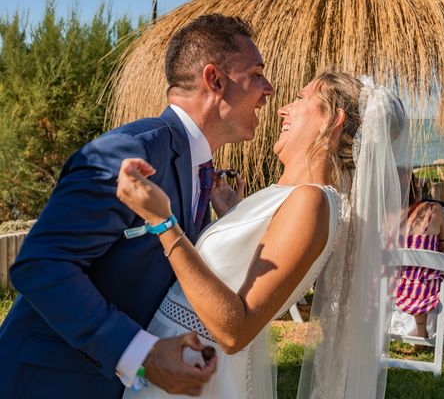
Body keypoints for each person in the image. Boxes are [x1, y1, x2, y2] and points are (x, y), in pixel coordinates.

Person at [0, 14, 273, 398]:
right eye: (257, 73)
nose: (269, 88)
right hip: (50, 381)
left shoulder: (201, 172)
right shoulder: (133, 150)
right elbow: (41, 265)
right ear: (215, 80)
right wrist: (139, 353)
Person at [116, 73, 409, 398]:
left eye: (300, 97)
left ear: (333, 120)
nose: (283, 109)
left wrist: (163, 222)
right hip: (179, 364)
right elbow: (246, 272)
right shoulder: (295, 197)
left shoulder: (311, 201)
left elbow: (235, 331)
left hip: (199, 377)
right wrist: (233, 216)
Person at [395, 177, 444, 338]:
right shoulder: (435, 209)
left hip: (397, 288)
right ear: (417, 188)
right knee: (429, 273)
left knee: (414, 275)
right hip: (428, 290)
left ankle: (420, 331)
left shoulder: (391, 216)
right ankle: (423, 331)